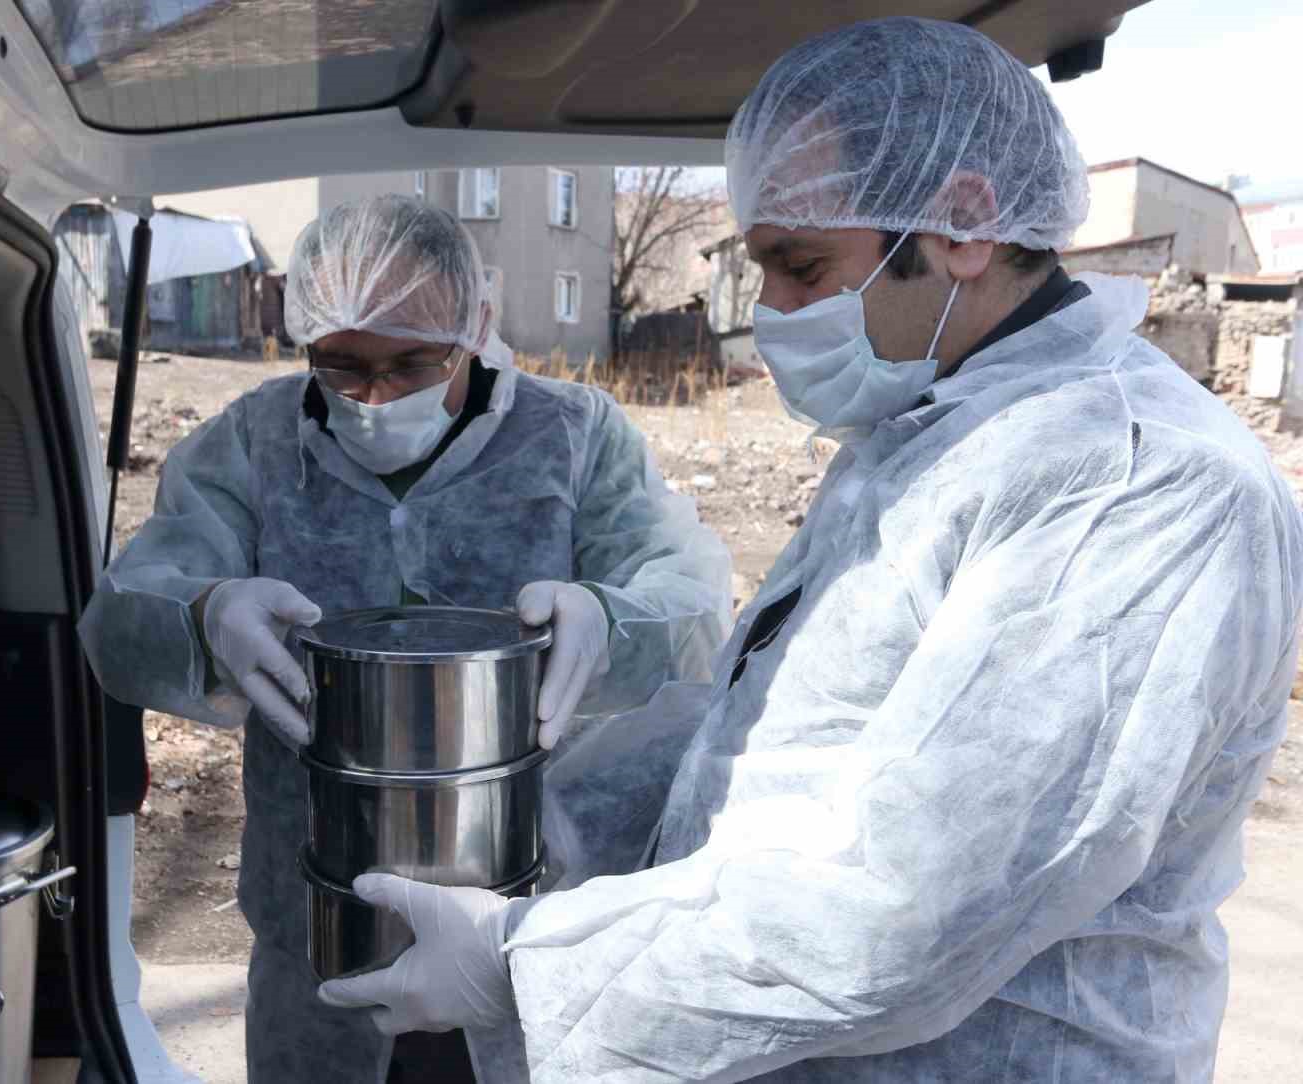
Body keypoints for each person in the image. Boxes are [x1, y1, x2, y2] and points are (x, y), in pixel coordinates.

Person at [315, 17, 1303, 1082]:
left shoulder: (1131, 482)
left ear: (963, 221)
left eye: (798, 264)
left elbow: (917, 902)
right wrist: (521, 827)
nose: (772, 311)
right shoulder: (934, 433)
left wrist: (525, 966)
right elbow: (779, 725)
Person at [78, 193, 732, 1083]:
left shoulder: (576, 440)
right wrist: (204, 616)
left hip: (534, 921)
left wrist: (610, 621)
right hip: (317, 920)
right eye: (340, 365)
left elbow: (691, 605)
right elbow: (121, 619)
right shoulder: (253, 446)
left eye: (410, 364)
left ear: (477, 328)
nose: (375, 398)